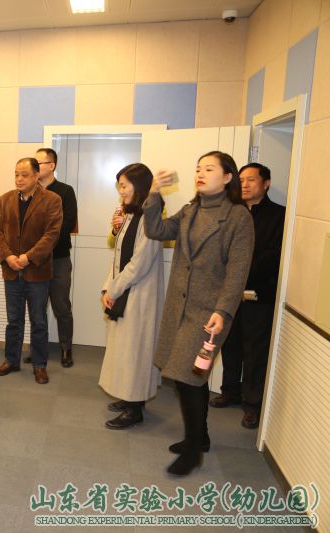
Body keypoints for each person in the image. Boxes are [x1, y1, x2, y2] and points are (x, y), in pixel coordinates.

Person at [144, 151, 254, 476]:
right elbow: (157, 230)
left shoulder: (238, 217)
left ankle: (193, 451)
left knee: (188, 376)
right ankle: (200, 436)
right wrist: (153, 193)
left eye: (209, 169)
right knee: (190, 375)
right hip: (179, 306)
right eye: (198, 169)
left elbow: (237, 271)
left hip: (210, 312)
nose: (200, 174)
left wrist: (223, 310)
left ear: (228, 177)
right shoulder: (191, 210)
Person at [209, 163, 285, 430]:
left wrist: (241, 278)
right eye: (241, 180)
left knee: (255, 350)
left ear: (266, 183)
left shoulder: (279, 215)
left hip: (259, 294)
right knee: (229, 345)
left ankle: (252, 405)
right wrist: (230, 284)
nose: (245, 184)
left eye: (251, 180)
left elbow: (273, 256)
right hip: (229, 295)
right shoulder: (232, 213)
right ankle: (230, 391)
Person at [99, 163, 164, 429]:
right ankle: (129, 397)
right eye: (120, 187)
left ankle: (135, 408)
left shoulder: (150, 217)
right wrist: (108, 288)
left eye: (124, 186)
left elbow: (139, 263)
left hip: (139, 294)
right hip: (125, 290)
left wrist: (114, 289)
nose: (122, 191)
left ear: (139, 186)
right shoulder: (130, 214)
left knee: (135, 351)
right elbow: (117, 256)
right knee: (124, 349)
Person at [0, 158, 63, 385]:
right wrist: (8, 256)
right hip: (11, 270)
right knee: (13, 320)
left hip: (38, 272)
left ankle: (40, 365)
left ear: (36, 175)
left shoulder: (52, 200)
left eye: (24, 175)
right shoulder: (4, 200)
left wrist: (28, 257)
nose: (19, 179)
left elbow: (52, 234)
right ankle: (11, 361)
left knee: (39, 321)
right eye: (16, 174)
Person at [24, 148, 78, 367]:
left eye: (39, 163)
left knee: (61, 306)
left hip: (59, 258)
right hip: (35, 261)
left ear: (51, 166)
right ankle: (38, 350)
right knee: (37, 309)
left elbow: (67, 224)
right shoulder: (30, 191)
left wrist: (43, 242)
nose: (35, 167)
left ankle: (66, 349)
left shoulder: (65, 191)